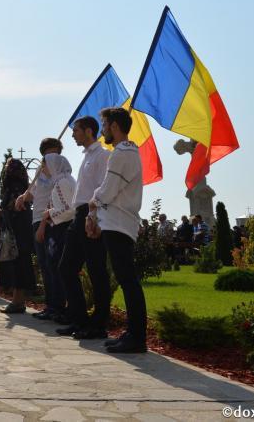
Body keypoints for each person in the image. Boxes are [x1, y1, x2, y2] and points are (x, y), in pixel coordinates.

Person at [92, 107, 147, 354]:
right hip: (117, 222)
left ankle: (136, 336)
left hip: (118, 222)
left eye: (104, 125)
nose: (102, 130)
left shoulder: (122, 154)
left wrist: (94, 202)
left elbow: (108, 190)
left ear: (114, 126)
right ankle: (133, 333)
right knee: (127, 280)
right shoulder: (126, 152)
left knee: (128, 281)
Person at [57, 115, 112, 341]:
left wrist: (93, 216)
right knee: (66, 268)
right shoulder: (87, 157)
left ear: (89, 131)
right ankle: (79, 319)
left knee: (96, 270)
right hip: (79, 216)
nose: (73, 134)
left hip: (92, 216)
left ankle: (99, 324)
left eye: (76, 130)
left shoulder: (102, 156)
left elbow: (101, 189)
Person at [20, 138, 61, 320]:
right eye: (50, 153)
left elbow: (57, 193)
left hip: (50, 219)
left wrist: (45, 221)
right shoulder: (40, 168)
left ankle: (58, 306)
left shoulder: (57, 166)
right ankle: (50, 305)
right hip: (37, 218)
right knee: (44, 265)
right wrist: (23, 197)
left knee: (53, 265)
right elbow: (35, 192)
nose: (53, 156)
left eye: (56, 152)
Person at [34, 148, 76, 322]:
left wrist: (48, 215)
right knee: (52, 268)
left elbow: (69, 209)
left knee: (58, 269)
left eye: (44, 165)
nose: (43, 169)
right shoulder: (60, 181)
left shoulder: (63, 182)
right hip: (57, 227)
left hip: (62, 228)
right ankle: (54, 306)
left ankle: (59, 307)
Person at [0, 158, 36, 314]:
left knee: (18, 264)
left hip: (17, 230)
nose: (5, 170)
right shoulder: (20, 186)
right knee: (18, 263)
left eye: (7, 167)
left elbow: (14, 207)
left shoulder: (15, 187)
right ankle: (18, 301)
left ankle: (17, 301)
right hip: (19, 229)